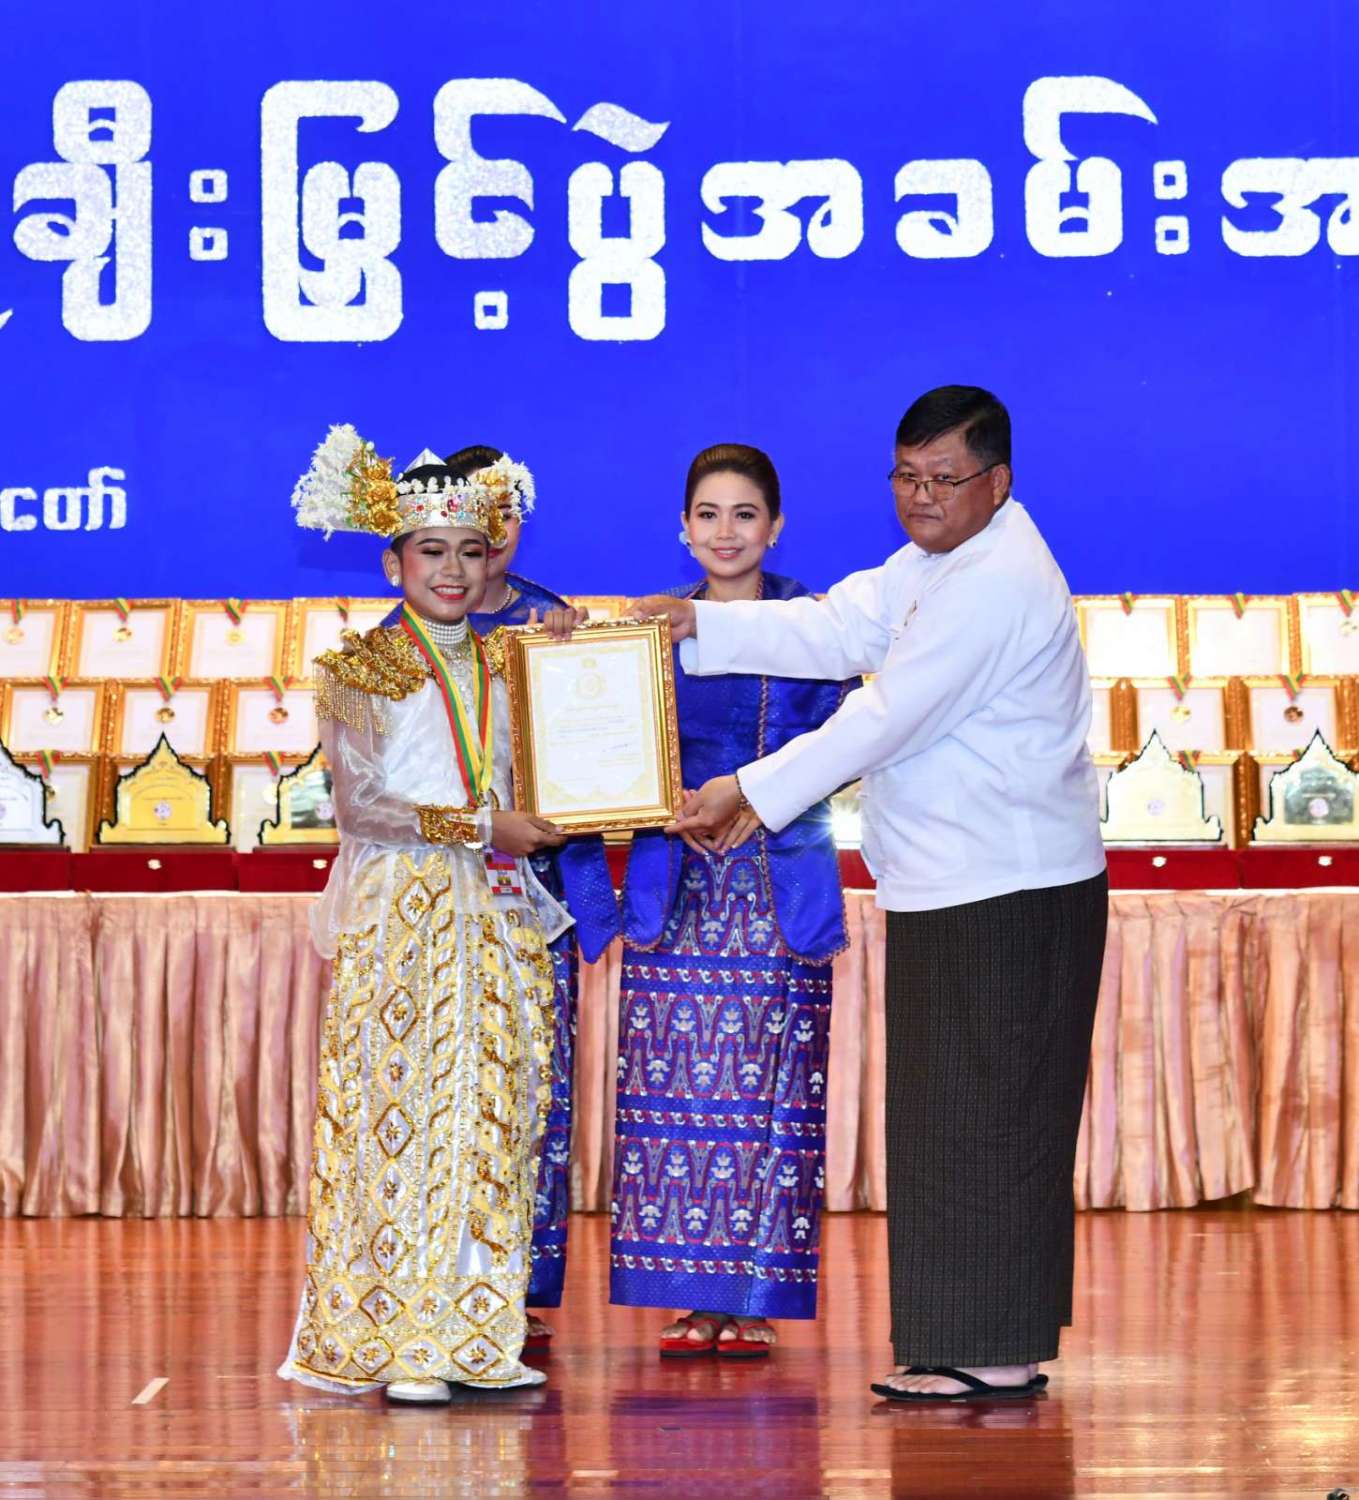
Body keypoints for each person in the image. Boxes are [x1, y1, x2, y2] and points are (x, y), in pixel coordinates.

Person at [629, 387, 1109, 1402]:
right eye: (906, 476)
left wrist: (748, 790)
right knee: (948, 1118)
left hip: (1008, 884)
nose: (921, 496)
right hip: (950, 882)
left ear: (997, 482)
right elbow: (836, 627)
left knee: (990, 1116)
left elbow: (884, 716)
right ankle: (967, 1342)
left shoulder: (998, 580)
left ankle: (989, 1349)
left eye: (944, 479)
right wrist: (700, 623)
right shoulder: (933, 565)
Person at [278, 429, 568, 1404]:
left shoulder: (508, 664)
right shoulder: (363, 665)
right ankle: (401, 1341)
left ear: (493, 562)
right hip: (400, 919)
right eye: (431, 550)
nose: (452, 569)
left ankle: (476, 1335)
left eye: (470, 550)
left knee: (494, 1116)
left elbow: (547, 779)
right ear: (392, 562)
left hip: (498, 917)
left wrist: (580, 678)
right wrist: (483, 824)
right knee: (399, 1119)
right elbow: (361, 806)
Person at [608, 443, 850, 1359]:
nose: (725, 531)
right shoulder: (650, 630)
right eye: (707, 514)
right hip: (677, 875)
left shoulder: (816, 627)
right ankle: (688, 1296)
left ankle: (752, 1299)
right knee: (674, 1092)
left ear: (775, 526)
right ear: (683, 527)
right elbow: (612, 743)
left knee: (769, 1093)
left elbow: (848, 740)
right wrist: (661, 801)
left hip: (774, 875)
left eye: (744, 514)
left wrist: (756, 797)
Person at [454, 442, 621, 1349]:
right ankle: (440, 1276)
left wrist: (586, 664)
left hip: (537, 899)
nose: (490, 532)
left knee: (532, 1088)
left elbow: (595, 758)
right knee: (444, 1082)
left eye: (506, 511)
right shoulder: (406, 634)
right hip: (437, 893)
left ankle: (516, 1284)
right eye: (472, 514)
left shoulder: (553, 623)